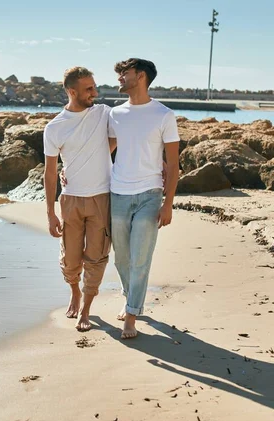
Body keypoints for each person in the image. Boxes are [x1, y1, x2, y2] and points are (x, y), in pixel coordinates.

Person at [107, 58, 180, 339]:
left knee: (140, 258)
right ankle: (132, 298)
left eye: (124, 74)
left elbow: (172, 164)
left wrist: (168, 202)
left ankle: (131, 314)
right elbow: (104, 151)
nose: (119, 79)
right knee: (121, 258)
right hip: (119, 193)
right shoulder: (115, 114)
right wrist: (71, 171)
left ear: (140, 76)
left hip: (150, 194)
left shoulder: (164, 115)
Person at [43, 66, 114, 332]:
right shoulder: (55, 127)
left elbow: (119, 136)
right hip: (70, 200)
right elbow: (50, 174)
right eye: (89, 89)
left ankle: (86, 307)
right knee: (71, 258)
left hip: (101, 198)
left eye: (94, 87)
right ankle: (74, 291)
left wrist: (97, 156)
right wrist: (50, 213)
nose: (94, 93)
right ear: (72, 92)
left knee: (96, 256)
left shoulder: (104, 113)